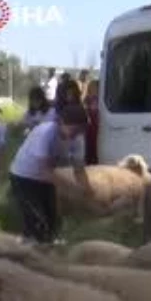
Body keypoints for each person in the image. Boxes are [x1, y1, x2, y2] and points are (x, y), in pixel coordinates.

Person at [8, 103, 92, 245]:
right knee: (37, 220)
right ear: (61, 122)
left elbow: (79, 170)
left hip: (45, 180)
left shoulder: (78, 139)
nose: (76, 134)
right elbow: (45, 170)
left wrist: (88, 191)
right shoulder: (45, 133)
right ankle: (29, 251)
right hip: (23, 177)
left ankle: (47, 250)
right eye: (74, 129)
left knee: (53, 220)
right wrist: (72, 188)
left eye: (80, 130)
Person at [83, 79, 100, 165]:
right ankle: (89, 162)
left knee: (96, 144)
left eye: (95, 87)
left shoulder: (100, 98)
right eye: (92, 87)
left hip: (96, 124)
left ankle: (95, 161)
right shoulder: (88, 98)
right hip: (90, 124)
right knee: (89, 144)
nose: (94, 89)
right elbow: (85, 110)